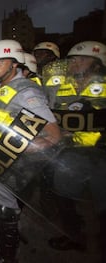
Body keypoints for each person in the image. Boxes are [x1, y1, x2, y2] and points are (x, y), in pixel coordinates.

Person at [0, 39, 62, 262]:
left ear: (14, 63)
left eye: (0, 61)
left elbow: (53, 135)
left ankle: (8, 257)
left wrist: (23, 151)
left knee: (5, 210)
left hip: (4, 159)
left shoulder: (26, 93)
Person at [45, 41, 106, 260]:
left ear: (97, 65)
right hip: (70, 153)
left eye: (82, 59)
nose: (74, 63)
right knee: (64, 197)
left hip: (100, 155)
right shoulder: (62, 87)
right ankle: (74, 237)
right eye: (72, 59)